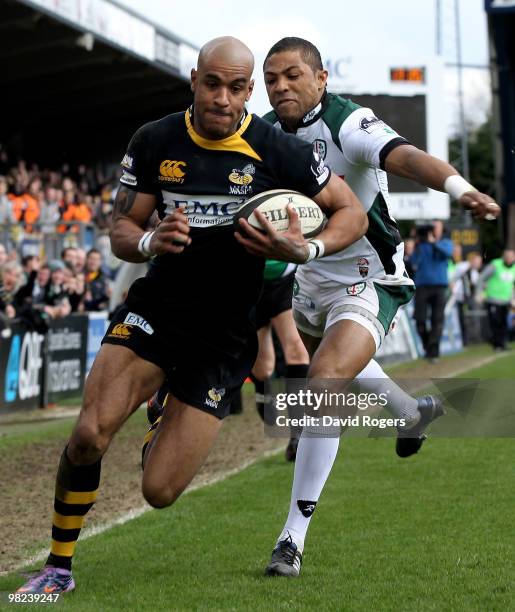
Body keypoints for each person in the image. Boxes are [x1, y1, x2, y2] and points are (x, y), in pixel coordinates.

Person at [16, 36, 368, 595]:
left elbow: (351, 212)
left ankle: (165, 410)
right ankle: (58, 567)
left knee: (159, 491)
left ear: (249, 91)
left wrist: (308, 250)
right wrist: (153, 239)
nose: (222, 98)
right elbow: (121, 233)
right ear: (194, 80)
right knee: (88, 434)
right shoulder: (154, 140)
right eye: (212, 84)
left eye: (235, 88)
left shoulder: (279, 151)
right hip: (159, 310)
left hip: (225, 337)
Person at [260, 37, 501, 577]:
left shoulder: (349, 122)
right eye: (272, 78)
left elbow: (408, 158)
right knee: (329, 366)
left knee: (324, 382)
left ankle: (290, 540)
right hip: (305, 272)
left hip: (366, 277)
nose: (281, 86)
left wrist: (458, 188)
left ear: (321, 79)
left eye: (293, 75)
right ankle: (413, 413)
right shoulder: (265, 133)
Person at [251, 259, 309, 461]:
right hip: (250, 277)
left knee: (296, 350)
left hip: (284, 275)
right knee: (263, 367)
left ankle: (298, 434)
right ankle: (262, 390)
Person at [411, 221, 454, 362]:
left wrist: (433, 243)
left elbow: (448, 253)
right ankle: (427, 346)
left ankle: (433, 353)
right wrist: (417, 243)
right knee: (420, 320)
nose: (433, 230)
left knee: (437, 320)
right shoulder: (421, 245)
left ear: (441, 230)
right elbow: (412, 262)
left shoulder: (445, 243)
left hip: (439, 287)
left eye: (436, 228)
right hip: (422, 286)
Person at [475, 249, 515, 350]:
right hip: (493, 299)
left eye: (512, 257)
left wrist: (513, 298)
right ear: (504, 257)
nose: (510, 259)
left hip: (506, 301)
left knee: (504, 323)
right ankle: (496, 344)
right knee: (495, 322)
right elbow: (482, 278)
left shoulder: (514, 268)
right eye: (508, 256)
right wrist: (479, 293)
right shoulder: (495, 265)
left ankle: (502, 344)